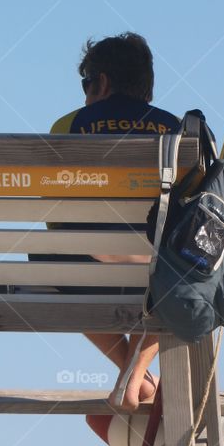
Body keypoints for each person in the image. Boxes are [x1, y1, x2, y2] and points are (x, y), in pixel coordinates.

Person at [50, 33, 181, 411]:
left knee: (46, 263)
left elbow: (53, 219)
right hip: (161, 275)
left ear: (103, 82)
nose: (85, 95)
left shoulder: (68, 125)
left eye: (86, 84)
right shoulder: (177, 131)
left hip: (85, 274)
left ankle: (132, 376)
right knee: (182, 275)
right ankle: (134, 377)